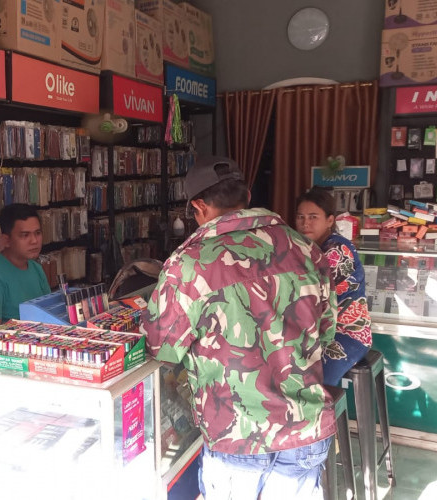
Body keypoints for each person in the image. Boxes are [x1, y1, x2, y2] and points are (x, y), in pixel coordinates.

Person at [140, 157, 337, 500]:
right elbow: (327, 331)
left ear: (199, 207)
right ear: (247, 195)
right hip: (305, 427)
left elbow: (162, 347)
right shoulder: (306, 249)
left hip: (238, 433)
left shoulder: (190, 263)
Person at [296, 187, 372, 386]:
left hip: (346, 334)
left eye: (313, 217)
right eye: (300, 217)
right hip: (319, 333)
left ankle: (325, 405)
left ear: (330, 220)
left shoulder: (337, 250)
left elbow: (311, 297)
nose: (305, 223)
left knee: (313, 381)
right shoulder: (309, 248)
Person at [0, 203, 51, 322]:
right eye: (25, 235)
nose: (34, 241)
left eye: (37, 233)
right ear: (6, 240)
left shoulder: (36, 268)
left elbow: (50, 313)